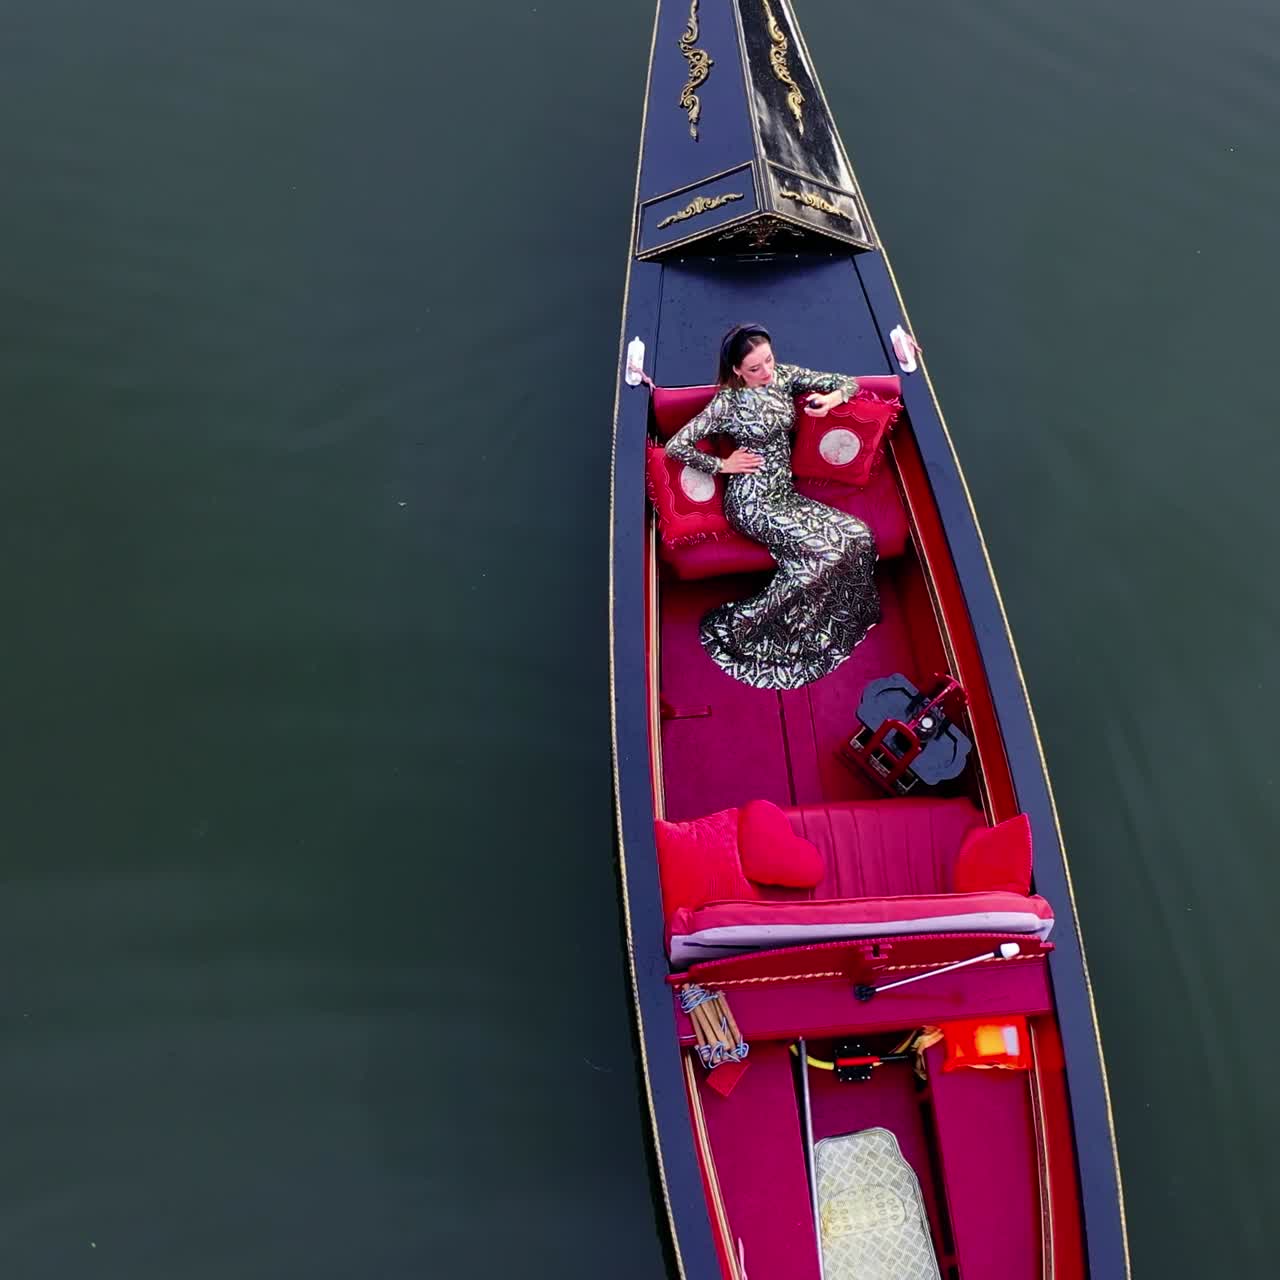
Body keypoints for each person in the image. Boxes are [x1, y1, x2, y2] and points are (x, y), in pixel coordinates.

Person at [663, 323, 880, 690]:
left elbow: (847, 382)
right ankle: (745, 628)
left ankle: (837, 617)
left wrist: (830, 401)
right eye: (754, 369)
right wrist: (722, 465)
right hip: (752, 501)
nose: (765, 372)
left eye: (768, 360)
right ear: (736, 371)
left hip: (784, 493)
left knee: (858, 535)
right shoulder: (726, 403)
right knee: (823, 557)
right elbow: (676, 446)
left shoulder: (783, 376)